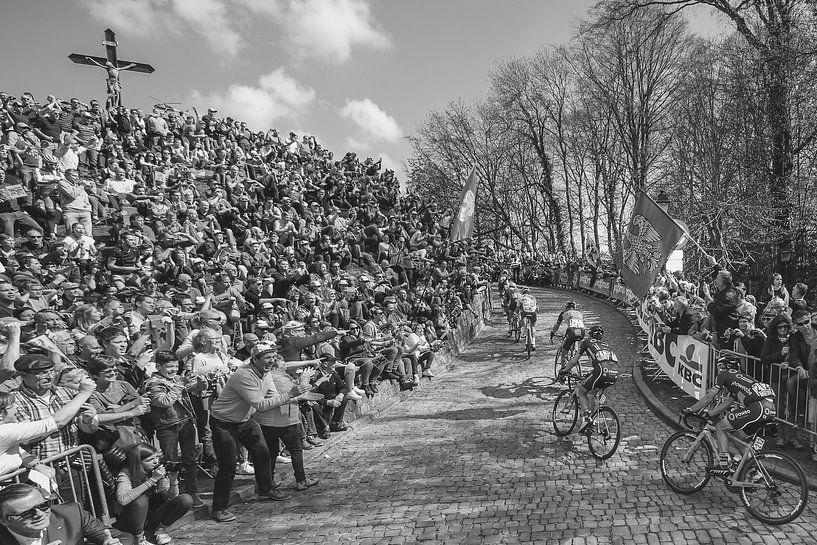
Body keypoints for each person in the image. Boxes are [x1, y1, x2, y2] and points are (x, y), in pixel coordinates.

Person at [207, 341, 314, 523]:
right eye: (267, 357)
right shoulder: (244, 375)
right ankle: (218, 508)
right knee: (228, 467)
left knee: (263, 454)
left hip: (245, 419)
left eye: (273, 357)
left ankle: (265, 490)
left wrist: (298, 396)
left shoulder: (266, 373)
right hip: (224, 422)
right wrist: (292, 394)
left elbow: (273, 397)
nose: (271, 361)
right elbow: (261, 405)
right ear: (255, 359)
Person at [684, 355, 776, 475]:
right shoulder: (739, 379)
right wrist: (709, 413)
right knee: (738, 437)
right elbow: (728, 402)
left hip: (758, 408)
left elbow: (708, 398)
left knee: (720, 427)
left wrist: (690, 409)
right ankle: (754, 472)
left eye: (719, 366)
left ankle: (724, 465)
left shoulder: (725, 374)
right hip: (770, 410)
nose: (719, 370)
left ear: (723, 366)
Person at [0, 373, 95, 474]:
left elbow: (16, 449)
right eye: (11, 407)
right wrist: (84, 393)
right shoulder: (6, 431)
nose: (16, 408)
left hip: (68, 465)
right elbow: (55, 422)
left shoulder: (7, 432)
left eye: (50, 370)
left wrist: (36, 464)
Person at [0, 483, 133, 545]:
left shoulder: (71, 513)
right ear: (5, 520)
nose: (39, 514)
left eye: (43, 506)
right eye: (27, 513)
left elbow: (123, 537)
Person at [114, 442, 192, 545]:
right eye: (150, 460)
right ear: (138, 462)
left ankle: (159, 530)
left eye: (156, 458)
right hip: (131, 519)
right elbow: (123, 500)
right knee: (141, 500)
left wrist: (173, 481)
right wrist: (152, 480)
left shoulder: (157, 470)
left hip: (151, 515)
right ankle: (139, 539)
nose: (155, 461)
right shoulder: (126, 473)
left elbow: (171, 496)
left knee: (185, 499)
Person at [557, 325, 618, 434]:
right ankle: (592, 420)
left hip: (601, 370)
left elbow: (574, 361)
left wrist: (564, 370)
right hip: (614, 372)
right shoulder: (605, 345)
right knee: (594, 394)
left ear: (590, 335)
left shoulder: (586, 342)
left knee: (581, 390)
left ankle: (586, 418)